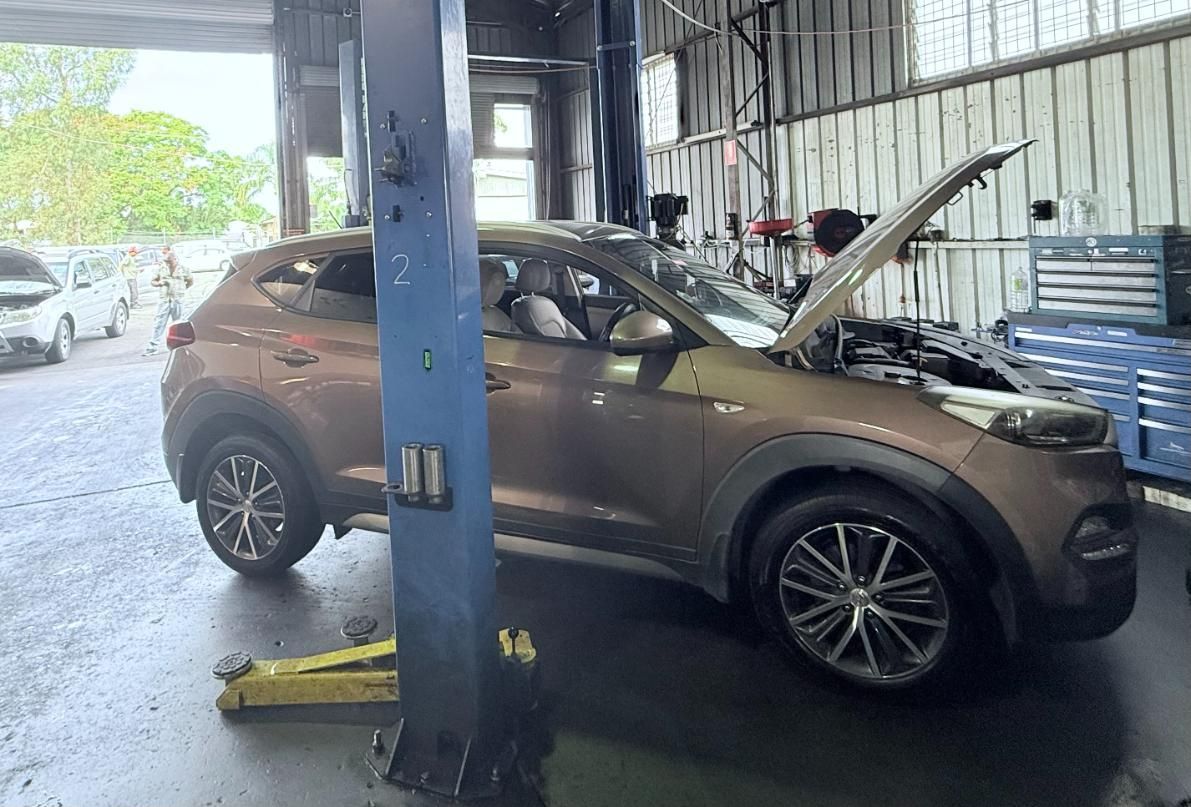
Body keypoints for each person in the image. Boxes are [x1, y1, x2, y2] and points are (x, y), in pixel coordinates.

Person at [143, 246, 193, 356]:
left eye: (170, 261)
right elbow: (153, 281)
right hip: (164, 299)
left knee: (178, 324)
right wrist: (159, 283)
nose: (168, 264)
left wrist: (181, 290)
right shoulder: (161, 269)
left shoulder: (184, 269)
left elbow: (190, 281)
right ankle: (153, 346)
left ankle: (180, 346)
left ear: (175, 259)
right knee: (159, 322)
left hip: (178, 300)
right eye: (166, 261)